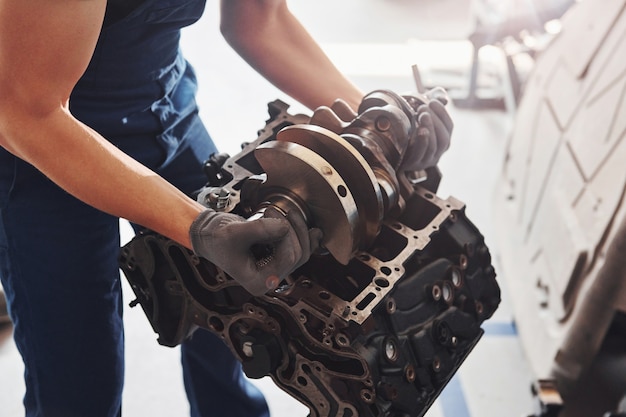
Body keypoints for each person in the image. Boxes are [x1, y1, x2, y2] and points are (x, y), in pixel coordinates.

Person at [0, 1, 452, 416]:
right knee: (79, 379)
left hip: (160, 101)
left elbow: (262, 21)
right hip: (37, 143)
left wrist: (379, 126)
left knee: (233, 315)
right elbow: (25, 111)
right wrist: (202, 227)